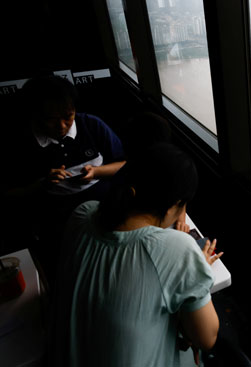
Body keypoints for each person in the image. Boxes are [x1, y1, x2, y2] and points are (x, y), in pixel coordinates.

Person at [50, 142, 222, 367]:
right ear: (174, 206)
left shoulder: (82, 214)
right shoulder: (178, 250)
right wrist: (199, 268)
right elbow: (207, 338)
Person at [1, 75, 126, 282]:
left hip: (105, 205)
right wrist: (42, 184)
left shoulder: (92, 125)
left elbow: (123, 164)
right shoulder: (20, 142)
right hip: (55, 217)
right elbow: (8, 191)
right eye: (51, 119)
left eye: (68, 116)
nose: (62, 125)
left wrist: (96, 172)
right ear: (34, 115)